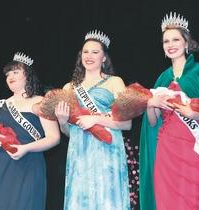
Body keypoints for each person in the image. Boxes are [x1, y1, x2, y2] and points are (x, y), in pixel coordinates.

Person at [139, 12, 199, 210]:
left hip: (191, 149)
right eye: (166, 41)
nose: (170, 44)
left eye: (175, 39)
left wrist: (191, 112)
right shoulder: (162, 78)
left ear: (186, 42)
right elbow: (152, 123)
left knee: (191, 201)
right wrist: (150, 104)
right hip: (166, 150)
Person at [55, 30, 132, 210]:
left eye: (95, 52)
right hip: (79, 151)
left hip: (107, 150)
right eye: (85, 52)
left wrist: (95, 119)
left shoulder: (115, 82)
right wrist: (62, 121)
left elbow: (126, 124)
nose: (89, 56)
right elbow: (68, 132)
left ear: (104, 57)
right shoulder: (69, 87)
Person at [0, 52, 60, 210]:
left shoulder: (40, 101)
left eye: (15, 72)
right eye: (8, 74)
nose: (10, 76)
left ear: (28, 75)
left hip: (29, 163)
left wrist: (26, 148)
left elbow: (54, 138)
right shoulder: (1, 104)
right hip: (1, 165)